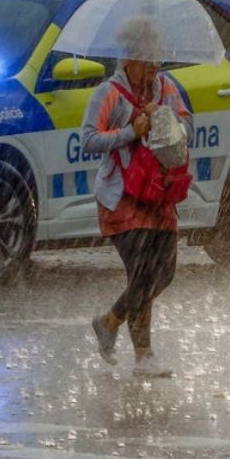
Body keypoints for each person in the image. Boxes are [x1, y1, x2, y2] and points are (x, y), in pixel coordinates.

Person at [82, 19, 194, 378]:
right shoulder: (109, 94)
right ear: (128, 58)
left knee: (164, 274)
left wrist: (161, 118)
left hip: (159, 193)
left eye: (157, 59)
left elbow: (187, 126)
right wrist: (131, 131)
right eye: (147, 59)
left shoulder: (165, 88)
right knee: (142, 272)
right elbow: (89, 139)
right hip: (122, 197)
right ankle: (144, 356)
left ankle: (109, 321)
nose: (154, 67)